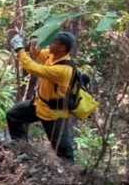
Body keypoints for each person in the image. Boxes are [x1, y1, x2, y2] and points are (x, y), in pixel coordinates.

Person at [5, 31, 77, 163]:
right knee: (13, 115)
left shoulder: (63, 70)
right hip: (39, 104)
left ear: (62, 47)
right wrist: (33, 44)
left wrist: (19, 49)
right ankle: (22, 150)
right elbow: (37, 54)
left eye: (54, 42)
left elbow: (33, 68)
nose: (50, 44)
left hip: (54, 114)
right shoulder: (53, 55)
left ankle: (70, 176)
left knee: (63, 152)